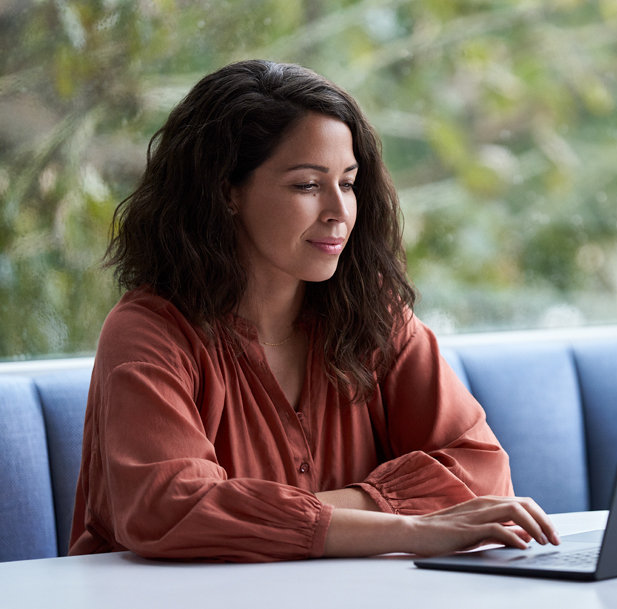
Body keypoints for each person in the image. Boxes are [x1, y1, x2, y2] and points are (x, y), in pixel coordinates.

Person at [68, 59, 558, 561]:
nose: (339, 210)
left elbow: (480, 468)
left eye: (347, 182)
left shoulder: (374, 318)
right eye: (307, 185)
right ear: (226, 192)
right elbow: (172, 510)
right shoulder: (149, 333)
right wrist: (413, 528)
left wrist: (282, 515)